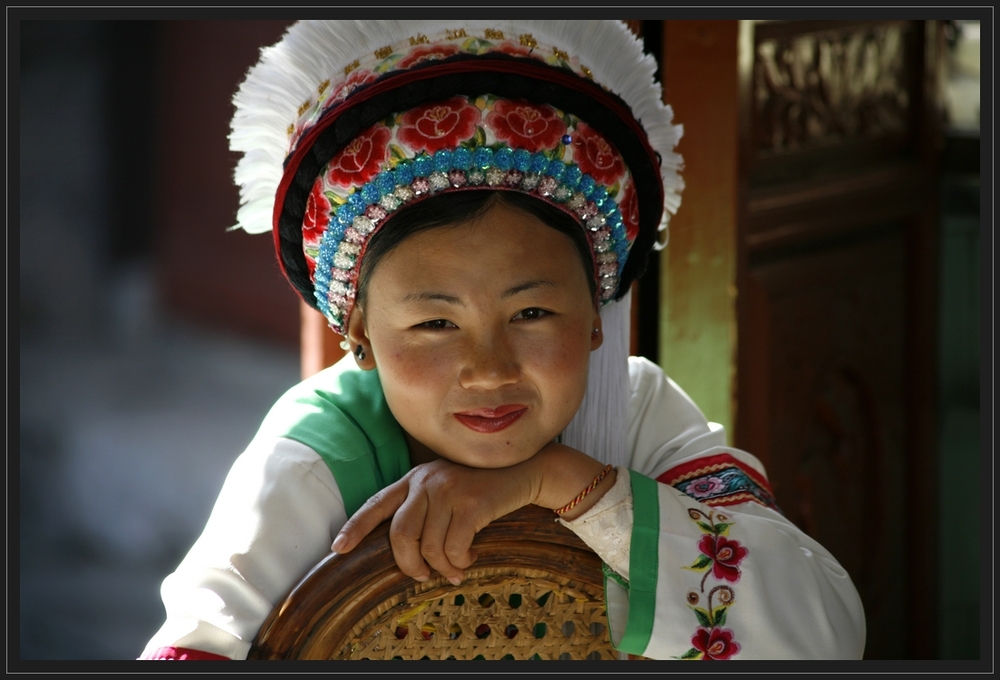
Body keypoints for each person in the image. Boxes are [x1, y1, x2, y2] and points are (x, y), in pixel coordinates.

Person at [140, 19, 865, 661]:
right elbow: (200, 641)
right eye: (434, 324)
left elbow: (825, 630)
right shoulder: (316, 460)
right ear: (359, 335)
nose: (488, 370)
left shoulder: (637, 414)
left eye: (531, 315)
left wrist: (552, 481)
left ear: (594, 319)